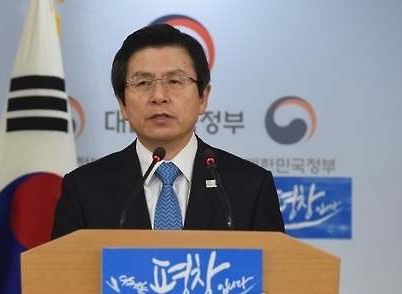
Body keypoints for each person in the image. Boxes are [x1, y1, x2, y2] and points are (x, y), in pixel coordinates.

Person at [51, 24, 284, 239]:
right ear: (122, 103)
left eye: (174, 81)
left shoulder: (251, 186)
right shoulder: (85, 189)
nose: (159, 96)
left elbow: (277, 277)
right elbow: (63, 279)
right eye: (142, 83)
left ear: (203, 97)